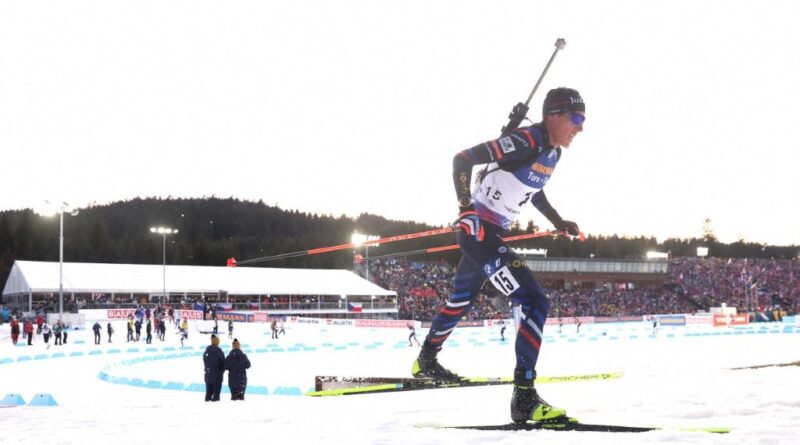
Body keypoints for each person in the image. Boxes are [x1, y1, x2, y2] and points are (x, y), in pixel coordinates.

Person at [411, 88, 586, 424]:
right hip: (479, 232)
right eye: (575, 119)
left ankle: (426, 361)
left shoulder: (552, 153)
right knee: (534, 300)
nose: (579, 127)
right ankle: (524, 397)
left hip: (487, 236)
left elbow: (532, 190)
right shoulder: (526, 140)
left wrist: (558, 222)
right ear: (554, 114)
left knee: (461, 300)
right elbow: (462, 159)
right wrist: (465, 209)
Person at [203, 334, 226, 402]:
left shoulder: (207, 351)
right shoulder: (219, 352)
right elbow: (224, 365)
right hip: (217, 377)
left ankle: (206, 406)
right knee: (216, 395)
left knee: (208, 394)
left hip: (208, 375)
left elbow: (205, 361)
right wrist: (220, 372)